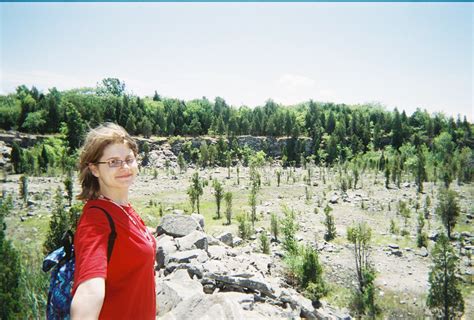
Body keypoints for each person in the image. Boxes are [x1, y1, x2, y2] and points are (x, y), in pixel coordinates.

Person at [71, 123, 156, 319]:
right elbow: (90, 290)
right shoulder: (96, 220)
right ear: (94, 169)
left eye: (129, 159)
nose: (124, 167)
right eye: (113, 162)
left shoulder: (123, 209)